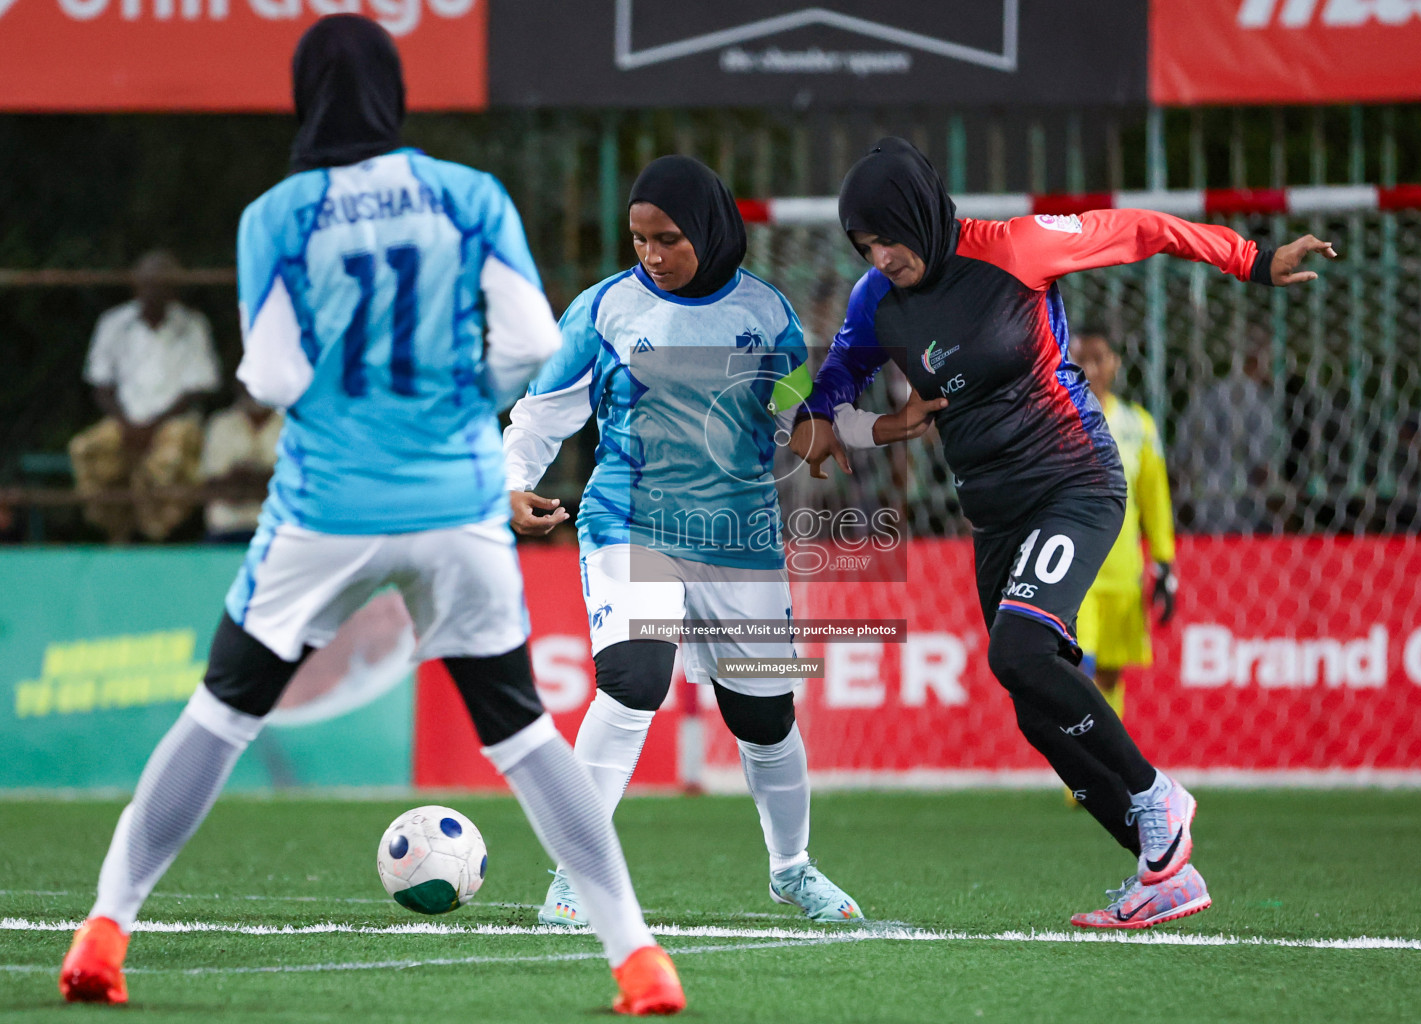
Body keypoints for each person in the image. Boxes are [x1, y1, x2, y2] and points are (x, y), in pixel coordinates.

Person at [58, 16, 684, 1016]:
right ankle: (640, 960)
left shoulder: (277, 213)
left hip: (326, 505)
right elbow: (527, 342)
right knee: (523, 737)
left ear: (307, 96)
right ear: (395, 93)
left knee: (221, 713)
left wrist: (348, 400)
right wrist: (444, 396)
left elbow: (266, 373)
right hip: (454, 500)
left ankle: (103, 931)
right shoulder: (469, 194)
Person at [791, 137, 1334, 929]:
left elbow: (1143, 228)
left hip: (1073, 482)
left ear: (921, 216)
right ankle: (1162, 872)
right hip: (995, 515)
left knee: (1019, 651)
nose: (880, 255)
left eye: (887, 236)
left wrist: (1250, 259)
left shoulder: (1015, 247)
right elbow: (835, 381)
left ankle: (1158, 796)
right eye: (863, 244)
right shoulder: (879, 300)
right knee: (1032, 704)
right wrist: (839, 423)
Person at [503, 155, 864, 927]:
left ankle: (792, 870)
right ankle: (576, 874)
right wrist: (510, 483)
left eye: (668, 239)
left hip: (738, 534)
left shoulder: (768, 315)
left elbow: (793, 414)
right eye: (638, 241)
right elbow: (539, 414)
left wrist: (823, 432)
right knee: (633, 679)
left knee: (765, 719)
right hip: (628, 521)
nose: (652, 257)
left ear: (708, 228)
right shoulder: (603, 311)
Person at [68, 250, 221, 542]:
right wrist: (126, 424)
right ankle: (114, 530)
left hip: (174, 421)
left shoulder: (192, 325)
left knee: (169, 460)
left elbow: (198, 388)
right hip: (122, 419)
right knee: (84, 449)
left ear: (174, 290)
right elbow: (100, 384)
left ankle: (156, 535)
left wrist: (152, 427)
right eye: (149, 283)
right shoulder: (113, 322)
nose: (155, 291)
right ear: (136, 285)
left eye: (163, 285)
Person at [1067, 327, 1177, 719]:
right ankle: (1079, 782)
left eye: (1099, 359)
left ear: (1114, 363)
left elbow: (1154, 498)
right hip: (1072, 574)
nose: (1090, 369)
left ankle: (1106, 775)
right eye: (1080, 360)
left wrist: (1164, 563)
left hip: (1122, 573)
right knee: (1079, 673)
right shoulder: (1055, 421)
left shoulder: (1138, 425)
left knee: (1110, 677)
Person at [1175, 330, 1279, 534]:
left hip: (1203, 501)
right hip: (1245, 508)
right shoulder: (1258, 401)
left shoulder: (1209, 395)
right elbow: (1262, 465)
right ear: (1259, 358)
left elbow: (1182, 452)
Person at [200, 383, 284, 543]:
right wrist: (262, 481)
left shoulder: (291, 425)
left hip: (278, 529)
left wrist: (249, 480)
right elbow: (213, 484)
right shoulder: (221, 423)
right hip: (226, 529)